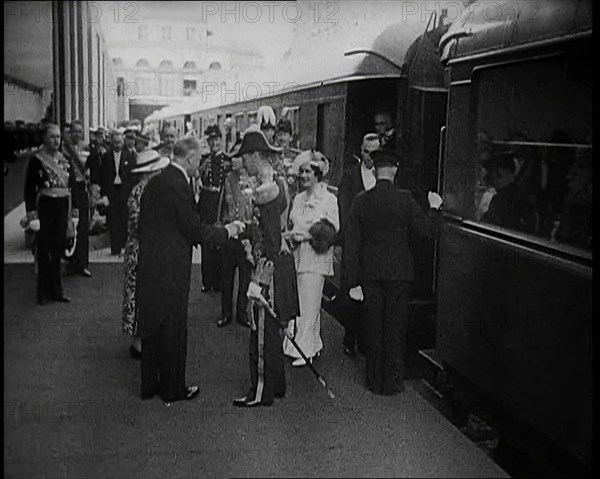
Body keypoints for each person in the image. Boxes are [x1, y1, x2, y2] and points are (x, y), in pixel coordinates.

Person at [136, 137, 244, 404]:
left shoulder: (156, 182)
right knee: (173, 327)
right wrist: (227, 231)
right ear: (189, 158)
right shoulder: (179, 185)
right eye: (198, 161)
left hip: (151, 265)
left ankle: (149, 384)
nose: (200, 166)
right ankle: (173, 389)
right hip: (172, 269)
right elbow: (194, 229)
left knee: (153, 325)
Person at [344, 149, 443, 395]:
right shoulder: (405, 199)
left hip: (370, 274)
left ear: (375, 171)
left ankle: (374, 380)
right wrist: (435, 208)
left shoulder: (360, 201)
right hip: (399, 274)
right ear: (395, 170)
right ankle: (393, 382)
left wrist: (351, 281)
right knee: (396, 327)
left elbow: (352, 244)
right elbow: (428, 232)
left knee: (373, 327)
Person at [231, 129, 300, 408]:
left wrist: (259, 275)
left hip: (267, 266)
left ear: (255, 155)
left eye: (245, 156)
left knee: (260, 331)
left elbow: (269, 239)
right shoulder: (278, 183)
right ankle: (277, 385)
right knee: (273, 329)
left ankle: (261, 391)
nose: (242, 163)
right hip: (280, 263)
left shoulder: (265, 191)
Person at [282, 150, 339, 366]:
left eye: (307, 172)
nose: (303, 176)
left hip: (316, 257)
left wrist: (307, 235)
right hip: (297, 256)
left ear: (317, 174)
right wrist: (290, 236)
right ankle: (311, 343)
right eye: (301, 172)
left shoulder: (329, 199)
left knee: (310, 303)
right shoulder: (297, 198)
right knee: (301, 301)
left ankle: (306, 350)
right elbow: (292, 222)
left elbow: (333, 228)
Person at [121, 150, 170, 359]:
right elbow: (138, 225)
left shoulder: (141, 191)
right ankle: (139, 342)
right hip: (142, 249)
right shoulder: (142, 192)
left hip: (141, 248)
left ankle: (143, 339)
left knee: (141, 293)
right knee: (141, 293)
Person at [23, 123, 77, 305]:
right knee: (44, 249)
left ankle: (57, 291)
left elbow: (73, 187)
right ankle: (43, 292)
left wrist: (74, 212)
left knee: (58, 248)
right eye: (52, 136)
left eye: (58, 137)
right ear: (45, 138)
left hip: (62, 207)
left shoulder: (65, 159)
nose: (56, 140)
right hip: (45, 207)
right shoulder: (36, 160)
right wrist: (32, 215)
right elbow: (29, 189)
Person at [337, 133, 380, 355]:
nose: (370, 157)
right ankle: (349, 337)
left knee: (371, 294)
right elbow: (344, 211)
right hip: (355, 245)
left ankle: (364, 339)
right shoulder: (350, 177)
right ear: (360, 151)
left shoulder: (383, 176)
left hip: (375, 248)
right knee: (352, 291)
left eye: (374, 152)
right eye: (366, 151)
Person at [217, 153, 254, 328]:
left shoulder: (252, 178)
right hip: (230, 232)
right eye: (231, 157)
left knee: (245, 276)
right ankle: (226, 313)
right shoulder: (228, 178)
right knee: (226, 275)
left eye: (237, 157)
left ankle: (242, 312)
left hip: (247, 233)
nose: (233, 160)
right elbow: (222, 205)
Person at [96, 129, 135, 255]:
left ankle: (123, 246)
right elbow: (102, 177)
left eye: (119, 142)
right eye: (115, 142)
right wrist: (104, 195)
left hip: (124, 191)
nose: (117, 145)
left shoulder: (129, 156)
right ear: (111, 142)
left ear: (123, 142)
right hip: (112, 191)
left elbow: (132, 177)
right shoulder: (106, 157)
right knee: (112, 219)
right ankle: (115, 248)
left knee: (124, 218)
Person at [198, 124, 227, 292]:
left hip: (221, 202)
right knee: (206, 242)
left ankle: (219, 281)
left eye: (217, 139)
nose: (214, 142)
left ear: (221, 140)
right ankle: (207, 281)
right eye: (211, 140)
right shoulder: (203, 160)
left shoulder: (227, 160)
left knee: (220, 241)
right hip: (206, 202)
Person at [62, 120, 92, 277]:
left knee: (83, 227)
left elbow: (91, 170)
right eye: (75, 131)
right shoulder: (63, 149)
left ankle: (82, 263)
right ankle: (70, 262)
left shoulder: (87, 148)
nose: (77, 134)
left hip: (82, 189)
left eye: (80, 132)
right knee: (69, 226)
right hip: (68, 190)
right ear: (70, 133)